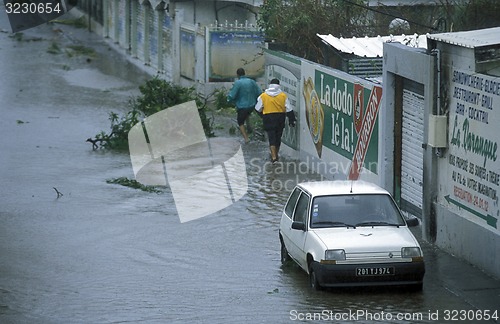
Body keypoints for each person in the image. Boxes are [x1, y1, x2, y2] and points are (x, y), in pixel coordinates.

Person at [255, 78, 296, 163]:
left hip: (268, 118)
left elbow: (257, 108)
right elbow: (289, 109)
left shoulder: (263, 96)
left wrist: (262, 115)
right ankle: (276, 154)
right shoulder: (283, 96)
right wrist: (292, 121)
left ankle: (274, 157)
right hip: (280, 118)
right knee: (278, 137)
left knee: (271, 137)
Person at [227, 68, 262, 143]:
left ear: (237, 75)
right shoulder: (252, 81)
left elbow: (232, 95)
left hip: (243, 106)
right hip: (252, 105)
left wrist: (228, 100)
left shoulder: (238, 83)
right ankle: (249, 128)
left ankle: (246, 138)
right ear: (244, 73)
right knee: (247, 115)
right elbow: (259, 92)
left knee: (240, 121)